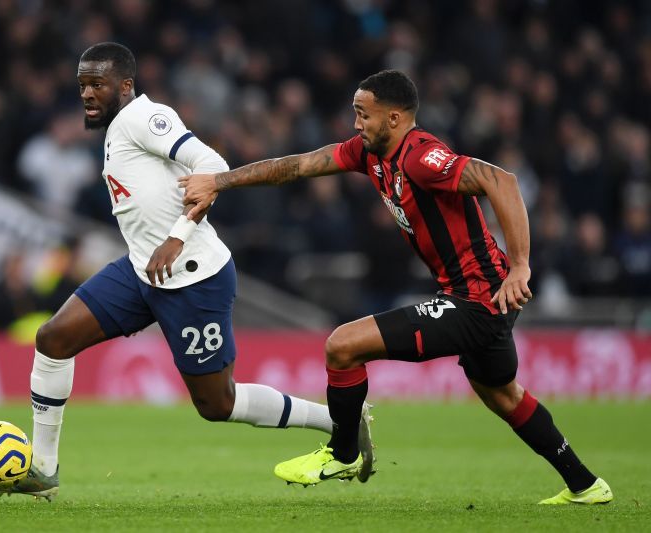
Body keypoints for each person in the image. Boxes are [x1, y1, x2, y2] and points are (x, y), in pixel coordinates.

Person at [179, 70, 613, 505]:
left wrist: (521, 266)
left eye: (363, 115)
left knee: (342, 346)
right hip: (478, 298)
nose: (355, 124)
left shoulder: (422, 158)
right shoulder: (369, 153)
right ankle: (585, 484)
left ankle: (343, 452)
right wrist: (219, 181)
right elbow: (298, 165)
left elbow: (503, 181)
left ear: (393, 118)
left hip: (480, 297)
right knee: (503, 395)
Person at [0, 42, 374, 501]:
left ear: (126, 86)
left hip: (193, 278)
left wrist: (176, 235)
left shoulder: (146, 118)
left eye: (98, 84)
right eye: (82, 85)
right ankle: (43, 471)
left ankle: (341, 421)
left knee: (218, 404)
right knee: (53, 339)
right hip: (141, 271)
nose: (87, 94)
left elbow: (212, 165)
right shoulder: (116, 128)